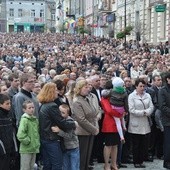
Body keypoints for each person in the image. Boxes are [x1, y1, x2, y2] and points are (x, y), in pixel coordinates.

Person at [37, 82, 76, 170]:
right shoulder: (52, 106)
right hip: (51, 139)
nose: (57, 92)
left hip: (44, 138)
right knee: (57, 164)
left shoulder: (44, 105)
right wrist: (74, 123)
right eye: (55, 90)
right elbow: (62, 122)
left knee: (48, 164)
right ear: (51, 92)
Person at [72, 79, 99, 170]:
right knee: (82, 156)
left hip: (90, 131)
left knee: (87, 156)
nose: (88, 89)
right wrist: (94, 129)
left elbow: (94, 113)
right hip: (82, 132)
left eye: (88, 87)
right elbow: (81, 119)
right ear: (79, 88)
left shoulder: (87, 99)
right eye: (85, 87)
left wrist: (94, 127)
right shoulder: (77, 101)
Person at [128, 78, 154, 168]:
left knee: (143, 144)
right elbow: (131, 110)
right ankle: (136, 162)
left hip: (145, 123)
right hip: (135, 123)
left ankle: (141, 160)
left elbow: (151, 106)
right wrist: (143, 112)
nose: (142, 88)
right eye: (140, 86)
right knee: (136, 144)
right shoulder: (131, 96)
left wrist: (147, 112)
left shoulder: (147, 95)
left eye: (144, 86)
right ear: (136, 86)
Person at [101, 80, 123, 170]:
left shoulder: (116, 97)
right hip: (109, 124)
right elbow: (109, 110)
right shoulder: (105, 98)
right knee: (108, 145)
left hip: (117, 123)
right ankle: (106, 164)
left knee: (115, 145)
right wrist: (120, 114)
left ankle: (114, 164)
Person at [51, 104, 80, 170]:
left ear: (67, 114)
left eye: (63, 113)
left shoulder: (69, 122)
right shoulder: (59, 120)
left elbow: (69, 136)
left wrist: (59, 131)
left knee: (74, 167)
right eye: (59, 112)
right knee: (65, 167)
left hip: (73, 148)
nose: (61, 114)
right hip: (65, 148)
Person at [101, 77, 128, 143]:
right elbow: (109, 110)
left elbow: (104, 95)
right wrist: (125, 110)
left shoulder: (111, 92)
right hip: (112, 121)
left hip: (115, 111)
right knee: (110, 146)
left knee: (118, 122)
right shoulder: (124, 92)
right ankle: (124, 128)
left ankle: (122, 136)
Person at [17, 100, 40, 170]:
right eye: (29, 108)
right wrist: (28, 141)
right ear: (24, 110)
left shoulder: (35, 119)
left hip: (33, 148)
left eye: (33, 107)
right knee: (25, 168)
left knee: (31, 167)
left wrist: (36, 144)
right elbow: (20, 134)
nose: (32, 109)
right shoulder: (24, 120)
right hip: (26, 149)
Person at [0, 94, 17, 170]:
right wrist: (3, 151)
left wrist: (15, 149)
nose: (9, 105)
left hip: (10, 150)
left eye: (10, 103)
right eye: (7, 104)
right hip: (2, 152)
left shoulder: (9, 114)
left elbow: (12, 133)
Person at [158, 72, 170, 169]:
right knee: (168, 142)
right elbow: (162, 106)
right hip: (168, 121)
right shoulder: (162, 91)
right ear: (168, 80)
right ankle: (167, 162)